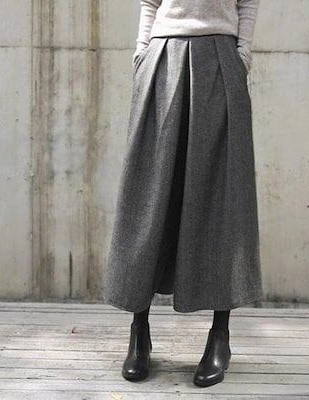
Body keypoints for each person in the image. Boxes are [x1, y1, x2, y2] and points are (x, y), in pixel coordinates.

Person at [103, 0, 263, 387]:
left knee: (223, 196)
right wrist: (142, 53)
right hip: (162, 58)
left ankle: (220, 336)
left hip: (221, 58)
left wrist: (241, 54)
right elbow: (150, 2)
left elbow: (248, 3)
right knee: (149, 193)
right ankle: (139, 331)